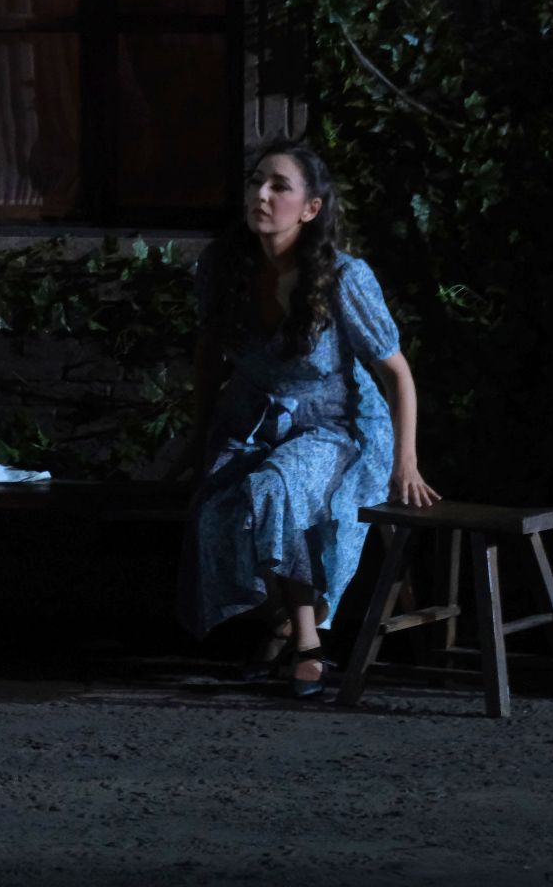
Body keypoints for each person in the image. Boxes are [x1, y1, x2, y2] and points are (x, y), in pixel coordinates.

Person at [177, 138, 437, 697]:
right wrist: (199, 436)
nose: (261, 195)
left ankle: (307, 643)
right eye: (254, 182)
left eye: (279, 186)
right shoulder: (223, 267)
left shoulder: (343, 278)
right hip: (253, 419)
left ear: (312, 207)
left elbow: (397, 374)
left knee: (276, 490)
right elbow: (208, 353)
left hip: (338, 427)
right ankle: (281, 618)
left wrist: (405, 463)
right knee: (216, 515)